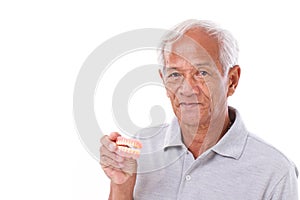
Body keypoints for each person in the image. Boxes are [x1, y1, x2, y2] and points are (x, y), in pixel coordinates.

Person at [100, 20, 298, 199]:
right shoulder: (139, 150)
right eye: (175, 75)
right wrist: (121, 188)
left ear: (232, 80)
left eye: (202, 73)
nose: (187, 90)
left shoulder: (275, 171)